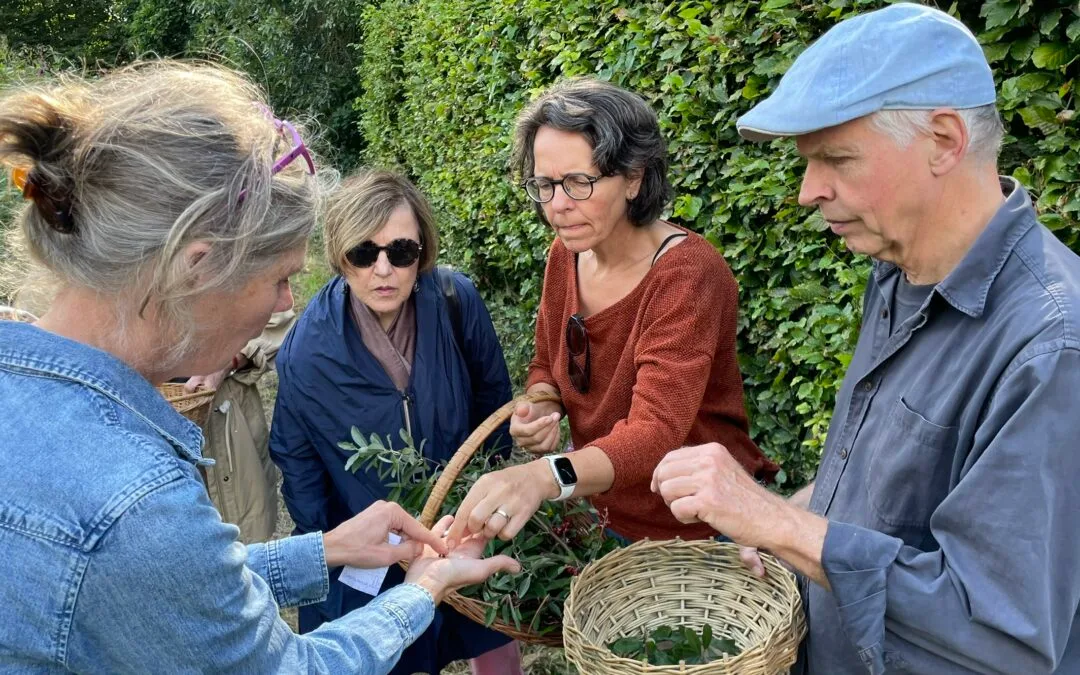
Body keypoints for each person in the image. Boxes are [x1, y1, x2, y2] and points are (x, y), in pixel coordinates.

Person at [0, 62, 517, 673]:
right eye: (278, 278)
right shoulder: (138, 501)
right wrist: (425, 587)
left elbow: (173, 583)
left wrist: (325, 549)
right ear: (198, 267)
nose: (285, 304)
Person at [651, 4, 1080, 673]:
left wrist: (777, 522)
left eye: (836, 159)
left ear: (944, 140)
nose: (806, 191)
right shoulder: (898, 269)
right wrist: (789, 521)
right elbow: (888, 490)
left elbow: (1001, 634)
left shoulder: (1051, 347)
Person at [448, 78, 778, 548]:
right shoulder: (566, 254)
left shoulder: (686, 275)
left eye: (579, 182)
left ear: (634, 178)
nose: (558, 206)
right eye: (545, 184)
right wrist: (541, 408)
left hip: (703, 526)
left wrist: (544, 476)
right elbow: (547, 365)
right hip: (608, 513)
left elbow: (654, 432)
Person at [268, 170, 522, 674]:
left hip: (460, 527)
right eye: (364, 253)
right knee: (398, 654)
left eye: (401, 251)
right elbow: (297, 458)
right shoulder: (307, 350)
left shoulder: (454, 302)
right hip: (373, 550)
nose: (382, 270)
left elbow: (492, 400)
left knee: (490, 636)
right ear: (340, 254)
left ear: (421, 251)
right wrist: (335, 547)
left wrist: (477, 501)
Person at [184, 310, 297, 543]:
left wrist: (226, 361)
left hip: (225, 432)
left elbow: (278, 319)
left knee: (242, 546)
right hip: (137, 435)